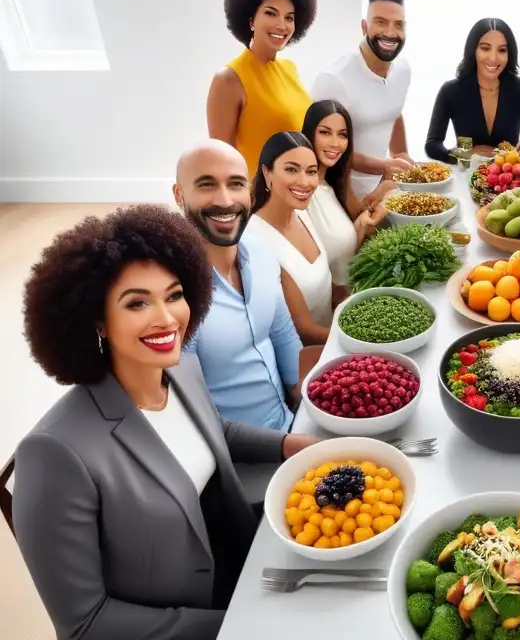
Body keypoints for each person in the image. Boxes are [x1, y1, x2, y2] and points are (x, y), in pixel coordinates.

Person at [14, 205, 317, 640]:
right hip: (193, 622)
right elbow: (85, 623)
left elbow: (214, 433)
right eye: (138, 302)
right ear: (95, 317)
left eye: (174, 295)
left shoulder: (181, 369)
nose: (167, 318)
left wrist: (288, 445)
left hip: (244, 573)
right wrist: (239, 626)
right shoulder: (53, 453)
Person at [173, 140, 305, 431]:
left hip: (295, 427)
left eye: (235, 184)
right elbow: (192, 414)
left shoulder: (260, 252)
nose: (225, 200)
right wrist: (287, 447)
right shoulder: (174, 295)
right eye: (206, 185)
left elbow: (283, 336)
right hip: (243, 461)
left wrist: (316, 409)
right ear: (179, 195)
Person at [206, 0, 317, 177]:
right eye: (271, 13)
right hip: (258, 198)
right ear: (250, 20)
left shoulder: (289, 69)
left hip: (299, 189)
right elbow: (222, 158)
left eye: (289, 17)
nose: (282, 25)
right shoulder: (229, 79)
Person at [311, 0, 414, 199]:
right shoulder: (334, 79)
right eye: (381, 22)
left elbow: (393, 111)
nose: (390, 33)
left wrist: (401, 154)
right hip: (338, 193)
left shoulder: (403, 70)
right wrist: (383, 166)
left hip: (385, 188)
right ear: (364, 26)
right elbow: (319, 146)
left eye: (398, 24)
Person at [247, 131, 335, 345]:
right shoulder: (253, 240)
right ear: (267, 173)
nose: (304, 182)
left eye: (311, 171)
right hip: (307, 357)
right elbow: (303, 330)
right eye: (291, 170)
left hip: (332, 338)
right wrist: (362, 338)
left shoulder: (303, 214)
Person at [424, 18, 520, 162]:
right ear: (473, 50)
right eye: (485, 48)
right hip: (466, 177)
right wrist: (463, 154)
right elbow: (432, 145)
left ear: (509, 54)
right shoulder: (450, 91)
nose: (493, 58)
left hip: (509, 177)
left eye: (502, 50)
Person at [300, 99, 391, 288]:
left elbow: (344, 254)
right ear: (309, 134)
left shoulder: (333, 184)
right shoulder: (301, 194)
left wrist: (384, 192)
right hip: (329, 305)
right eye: (325, 132)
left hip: (349, 290)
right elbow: (321, 267)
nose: (335, 143)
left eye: (342, 135)